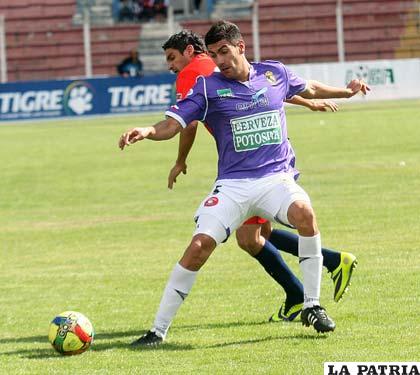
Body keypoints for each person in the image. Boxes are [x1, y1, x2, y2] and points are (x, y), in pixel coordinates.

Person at [119, 20, 369, 346]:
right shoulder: (207, 86)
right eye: (213, 54)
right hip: (234, 185)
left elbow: (307, 87)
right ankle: (157, 332)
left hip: (275, 178)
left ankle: (312, 305)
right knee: (198, 248)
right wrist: (148, 131)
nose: (219, 60)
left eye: (224, 51)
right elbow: (173, 124)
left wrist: (346, 92)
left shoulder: (273, 73)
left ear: (241, 47)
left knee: (304, 214)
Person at [163, 30, 357, 323]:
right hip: (249, 165)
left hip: (251, 168)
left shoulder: (194, 75)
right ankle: (319, 272)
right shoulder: (220, 66)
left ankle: (311, 284)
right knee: (255, 235)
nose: (170, 65)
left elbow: (187, 124)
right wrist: (310, 102)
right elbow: (264, 91)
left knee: (250, 238)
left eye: (172, 58)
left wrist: (180, 160)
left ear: (189, 51)